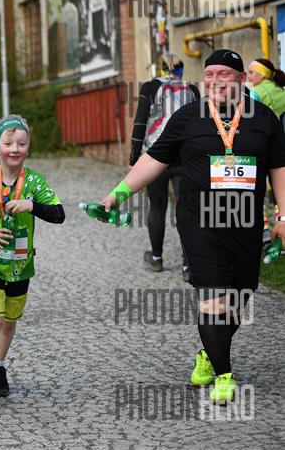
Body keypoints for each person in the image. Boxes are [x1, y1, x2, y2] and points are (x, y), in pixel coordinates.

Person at [98, 49, 285, 405]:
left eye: (223, 74)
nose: (214, 81)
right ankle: (224, 375)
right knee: (214, 297)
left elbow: (279, 169)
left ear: (241, 79)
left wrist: (283, 217)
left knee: (240, 296)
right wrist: (116, 195)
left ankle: (209, 352)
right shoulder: (188, 117)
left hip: (245, 224)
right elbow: (154, 159)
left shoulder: (264, 119)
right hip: (200, 223)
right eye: (209, 74)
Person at [0, 115, 65, 407]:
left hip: (21, 264)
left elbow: (59, 214)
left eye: (21, 143)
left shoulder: (34, 182)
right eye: (8, 143)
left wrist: (32, 205)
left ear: (28, 147)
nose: (15, 149)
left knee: (9, 322)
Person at [129, 53, 200, 279]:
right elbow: (200, 123)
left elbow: (140, 121)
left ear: (160, 69)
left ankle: (157, 258)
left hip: (156, 155)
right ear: (182, 69)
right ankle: (188, 265)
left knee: (157, 207)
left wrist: (134, 157)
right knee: (186, 209)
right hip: (185, 157)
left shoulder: (150, 87)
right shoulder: (192, 89)